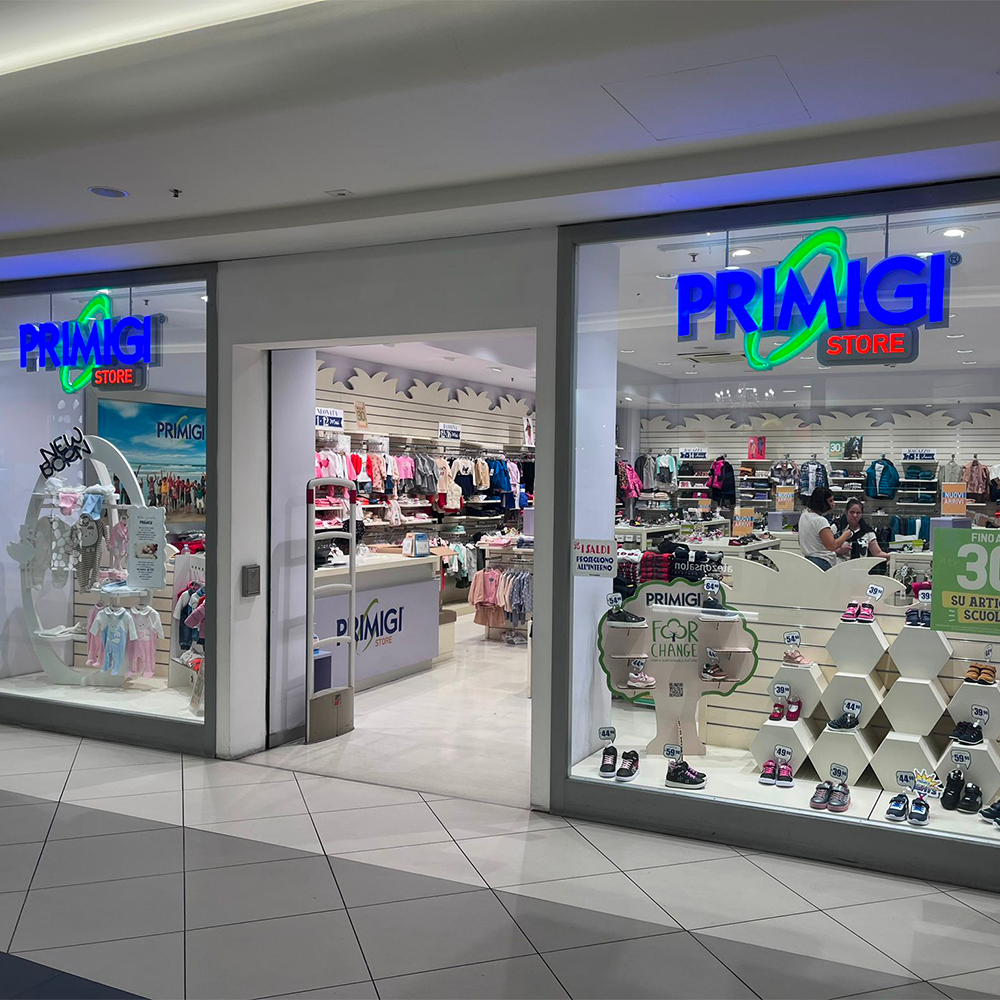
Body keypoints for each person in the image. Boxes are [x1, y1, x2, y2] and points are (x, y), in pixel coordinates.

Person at [798, 486, 856, 570]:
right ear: (822, 502)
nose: (833, 504)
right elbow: (832, 546)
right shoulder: (820, 521)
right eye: (830, 501)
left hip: (808, 562)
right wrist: (846, 534)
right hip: (822, 562)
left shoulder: (804, 515)